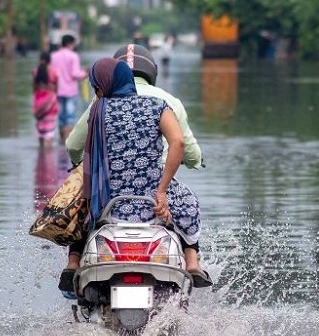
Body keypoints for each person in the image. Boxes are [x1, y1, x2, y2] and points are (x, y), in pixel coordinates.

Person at [58, 57, 212, 293]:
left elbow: (76, 146)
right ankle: (192, 263)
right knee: (189, 201)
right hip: (152, 198)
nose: (97, 92)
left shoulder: (98, 110)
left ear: (104, 86)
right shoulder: (158, 105)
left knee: (81, 204)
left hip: (108, 198)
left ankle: (73, 262)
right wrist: (161, 191)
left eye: (96, 87)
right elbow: (178, 143)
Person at [65, 43, 202, 171]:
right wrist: (193, 162)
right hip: (158, 184)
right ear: (153, 70)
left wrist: (83, 165)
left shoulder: (101, 102)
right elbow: (191, 153)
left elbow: (73, 146)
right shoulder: (167, 102)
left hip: (111, 187)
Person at [50, 34, 88, 144]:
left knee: (61, 117)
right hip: (70, 91)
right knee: (70, 117)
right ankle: (67, 143)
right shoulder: (73, 56)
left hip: (57, 90)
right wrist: (85, 73)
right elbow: (75, 74)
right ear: (70, 43)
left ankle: (61, 141)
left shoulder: (53, 56)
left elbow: (52, 73)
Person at [32, 52, 59, 148]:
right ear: (50, 61)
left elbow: (34, 88)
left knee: (41, 128)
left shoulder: (35, 71)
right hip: (51, 104)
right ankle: (47, 156)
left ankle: (41, 154)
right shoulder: (55, 72)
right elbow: (56, 89)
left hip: (38, 102)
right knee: (49, 131)